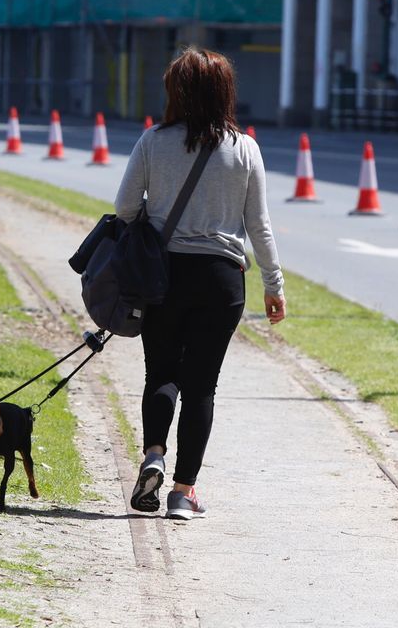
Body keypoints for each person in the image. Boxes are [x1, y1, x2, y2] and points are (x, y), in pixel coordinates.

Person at [115, 48, 286, 520]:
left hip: (163, 275)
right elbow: (260, 225)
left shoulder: (153, 141)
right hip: (221, 280)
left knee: (161, 372)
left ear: (175, 91)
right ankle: (183, 492)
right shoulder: (245, 148)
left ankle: (153, 453)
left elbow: (126, 210)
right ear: (224, 92)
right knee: (202, 386)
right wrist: (274, 284)